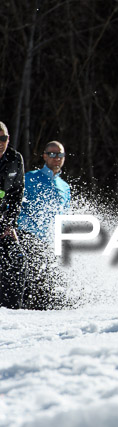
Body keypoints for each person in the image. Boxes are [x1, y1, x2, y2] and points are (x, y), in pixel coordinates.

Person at [17, 141, 71, 309]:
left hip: (52, 245)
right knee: (31, 286)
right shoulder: (30, 178)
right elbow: (17, 206)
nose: (57, 158)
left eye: (60, 155)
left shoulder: (65, 187)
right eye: (52, 154)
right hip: (29, 240)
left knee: (50, 290)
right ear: (45, 156)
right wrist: (30, 228)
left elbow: (65, 216)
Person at [0, 121, 26, 309]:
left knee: (17, 259)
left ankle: (12, 308)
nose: (0, 142)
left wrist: (10, 224)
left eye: (3, 138)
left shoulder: (15, 159)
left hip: (3, 220)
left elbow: (17, 194)